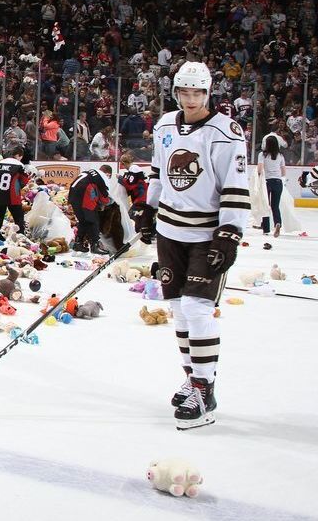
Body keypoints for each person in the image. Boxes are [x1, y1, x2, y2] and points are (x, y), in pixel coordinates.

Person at [132, 61, 249, 430]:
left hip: (206, 234)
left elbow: (235, 184)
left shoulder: (225, 131)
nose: (191, 98)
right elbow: (159, 170)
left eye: (198, 92)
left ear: (208, 92)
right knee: (180, 310)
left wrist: (230, 233)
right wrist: (147, 210)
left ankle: (204, 386)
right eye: (185, 91)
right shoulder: (166, 124)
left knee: (199, 310)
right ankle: (194, 376)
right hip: (170, 230)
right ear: (176, 92)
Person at [0, 145, 30, 241]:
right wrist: (18, 187)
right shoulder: (19, 165)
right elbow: (25, 180)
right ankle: (20, 237)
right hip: (12, 195)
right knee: (18, 216)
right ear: (18, 155)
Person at [67, 165, 113, 254]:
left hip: (73, 194)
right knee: (93, 220)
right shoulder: (102, 178)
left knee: (83, 220)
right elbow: (104, 198)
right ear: (108, 174)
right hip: (85, 196)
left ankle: (78, 243)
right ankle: (95, 246)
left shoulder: (89, 173)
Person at [258, 133, 286, 237]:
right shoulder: (280, 155)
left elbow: (260, 169)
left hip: (266, 182)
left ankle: (265, 228)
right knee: (275, 206)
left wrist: (258, 176)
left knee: (265, 205)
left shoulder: (262, 155)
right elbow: (283, 172)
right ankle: (277, 223)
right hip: (278, 182)